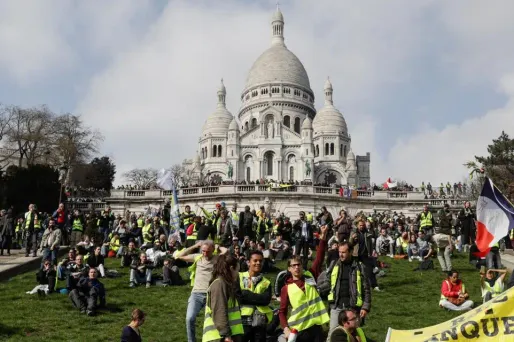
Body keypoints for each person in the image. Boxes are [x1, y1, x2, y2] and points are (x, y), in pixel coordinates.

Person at [278, 225, 329, 342]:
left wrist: (323, 238)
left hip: (316, 326)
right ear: (289, 269)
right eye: (293, 265)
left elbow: (319, 259)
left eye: (298, 264)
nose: (297, 267)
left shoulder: (310, 276)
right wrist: (285, 328)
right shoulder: (286, 288)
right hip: (299, 329)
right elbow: (282, 311)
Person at [177, 240, 227, 342]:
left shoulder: (217, 259)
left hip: (212, 294)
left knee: (213, 321)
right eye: (203, 251)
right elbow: (179, 256)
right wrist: (195, 246)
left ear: (213, 250)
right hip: (196, 294)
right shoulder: (197, 257)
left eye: (207, 251)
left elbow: (226, 251)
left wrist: (217, 246)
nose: (205, 253)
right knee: (189, 318)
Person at [327, 242, 371, 335]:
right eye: (339, 252)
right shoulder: (334, 264)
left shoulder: (359, 266)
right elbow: (325, 280)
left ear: (351, 252)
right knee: (332, 334)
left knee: (354, 335)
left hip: (353, 307)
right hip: (336, 306)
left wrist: (365, 307)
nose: (341, 255)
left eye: (343, 252)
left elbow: (366, 288)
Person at [202, 253, 244, 342]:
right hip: (219, 337)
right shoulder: (220, 284)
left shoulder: (224, 284)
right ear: (232, 269)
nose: (238, 274)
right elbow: (219, 310)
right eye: (237, 270)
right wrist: (226, 335)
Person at [239, 250, 273, 342]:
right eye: (255, 260)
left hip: (260, 322)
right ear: (248, 262)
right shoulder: (239, 277)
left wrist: (246, 294)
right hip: (242, 320)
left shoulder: (266, 282)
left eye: (260, 261)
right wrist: (258, 298)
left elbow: (266, 300)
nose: (258, 263)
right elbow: (238, 296)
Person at [434, 204, 453, 272]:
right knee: (439, 255)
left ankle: (449, 268)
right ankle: (444, 269)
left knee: (446, 254)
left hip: (447, 241)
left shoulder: (446, 223)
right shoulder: (439, 222)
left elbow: (448, 235)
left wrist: (450, 244)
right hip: (441, 242)